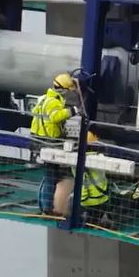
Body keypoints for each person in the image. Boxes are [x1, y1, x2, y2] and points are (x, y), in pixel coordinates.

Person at [30, 72, 80, 214]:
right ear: (63, 90)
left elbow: (35, 112)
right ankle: (48, 207)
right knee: (51, 175)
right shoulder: (54, 102)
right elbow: (54, 117)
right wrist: (72, 111)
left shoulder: (45, 98)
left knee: (51, 173)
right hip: (48, 141)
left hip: (38, 138)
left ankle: (50, 205)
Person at [54, 132, 108, 220]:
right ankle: (94, 220)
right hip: (101, 201)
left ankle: (71, 220)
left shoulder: (75, 161)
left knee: (70, 201)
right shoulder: (101, 158)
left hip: (85, 201)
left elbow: (81, 186)